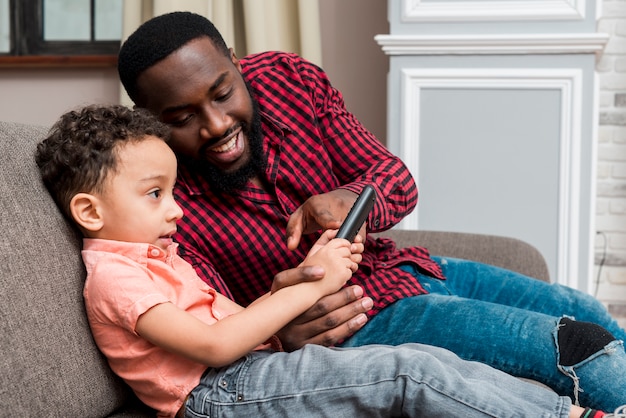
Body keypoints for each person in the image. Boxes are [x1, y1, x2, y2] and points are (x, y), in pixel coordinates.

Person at [116, 11, 626, 411]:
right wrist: (279, 332)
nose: (216, 125)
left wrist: (352, 198)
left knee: (594, 316)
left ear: (235, 61)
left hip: (414, 268)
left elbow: (398, 180)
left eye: (224, 93)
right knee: (578, 350)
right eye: (182, 118)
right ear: (150, 119)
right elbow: (214, 326)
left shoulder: (288, 79)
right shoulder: (161, 202)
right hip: (362, 324)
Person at [33, 103, 612, 418]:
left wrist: (308, 277)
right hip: (216, 396)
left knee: (422, 359)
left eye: (175, 191)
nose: (177, 209)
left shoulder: (151, 257)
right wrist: (311, 290)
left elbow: (235, 319)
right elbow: (211, 346)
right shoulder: (116, 279)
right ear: (88, 211)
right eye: (156, 194)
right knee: (409, 373)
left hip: (245, 373)